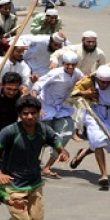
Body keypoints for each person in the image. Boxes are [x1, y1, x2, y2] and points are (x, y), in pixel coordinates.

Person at [0, 95, 69, 220]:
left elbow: (57, 143)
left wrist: (63, 152)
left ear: (39, 113)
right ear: (19, 115)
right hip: (13, 185)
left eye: (33, 113)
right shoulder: (10, 131)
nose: (29, 116)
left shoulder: (44, 130)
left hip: (35, 183)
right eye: (25, 113)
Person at [32, 50, 83, 178]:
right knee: (41, 138)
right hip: (45, 106)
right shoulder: (55, 73)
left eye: (73, 64)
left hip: (61, 107)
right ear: (63, 63)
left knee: (66, 131)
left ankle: (48, 166)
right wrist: (35, 106)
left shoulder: (77, 73)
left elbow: (85, 81)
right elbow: (37, 86)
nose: (70, 67)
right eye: (67, 64)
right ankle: (31, 164)